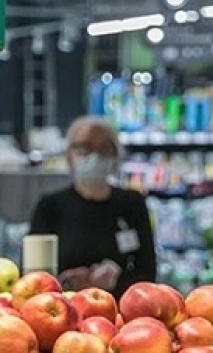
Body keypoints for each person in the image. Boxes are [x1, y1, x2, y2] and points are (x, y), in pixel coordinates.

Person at [29, 116, 157, 295]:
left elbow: (147, 272)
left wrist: (113, 281)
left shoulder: (132, 204)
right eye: (84, 148)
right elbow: (32, 277)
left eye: (104, 148)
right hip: (63, 307)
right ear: (69, 155)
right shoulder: (50, 206)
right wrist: (68, 281)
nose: (95, 156)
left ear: (116, 156)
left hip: (119, 312)